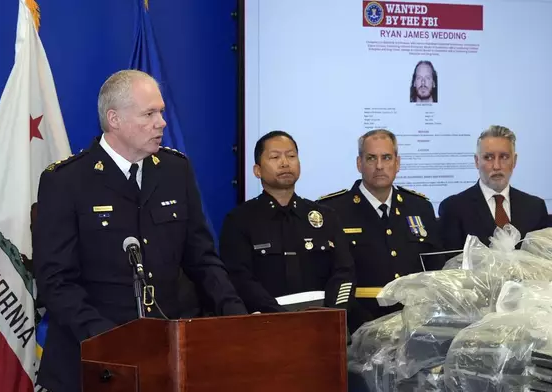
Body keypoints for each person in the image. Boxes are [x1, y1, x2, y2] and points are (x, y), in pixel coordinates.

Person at [33, 70, 247, 392]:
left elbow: (202, 259)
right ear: (114, 119)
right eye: (150, 113)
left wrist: (239, 317)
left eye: (160, 112)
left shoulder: (176, 170)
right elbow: (55, 282)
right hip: (89, 363)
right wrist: (110, 340)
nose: (162, 122)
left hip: (166, 360)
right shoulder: (66, 182)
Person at [318, 129, 443, 333]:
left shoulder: (420, 207)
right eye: (371, 158)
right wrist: (362, 325)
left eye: (386, 158)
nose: (379, 166)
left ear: (397, 163)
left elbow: (434, 269)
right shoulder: (334, 211)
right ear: (359, 164)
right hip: (360, 324)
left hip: (415, 324)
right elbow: (330, 278)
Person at [219, 131, 355, 314]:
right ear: (257, 170)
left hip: (325, 322)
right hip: (267, 325)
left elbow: (344, 272)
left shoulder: (326, 217)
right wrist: (280, 317)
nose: (285, 163)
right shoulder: (239, 221)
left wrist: (333, 312)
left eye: (291, 156)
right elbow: (239, 279)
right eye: (275, 157)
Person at [439, 125, 549, 250]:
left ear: (514, 161)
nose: (496, 166)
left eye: (504, 157)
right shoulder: (454, 208)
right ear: (477, 161)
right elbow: (449, 264)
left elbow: (542, 261)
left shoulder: (535, 207)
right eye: (488, 157)